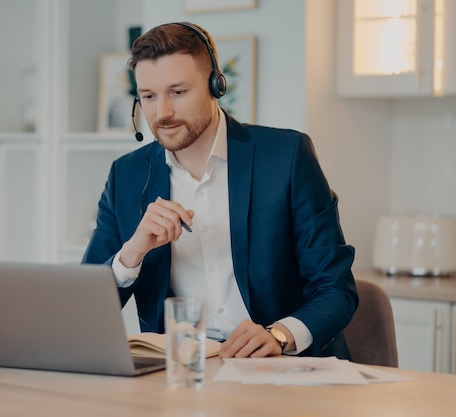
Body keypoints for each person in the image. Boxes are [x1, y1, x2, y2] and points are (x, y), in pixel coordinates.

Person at [82, 22, 358, 359]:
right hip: (181, 375)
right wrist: (132, 253)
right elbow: (86, 305)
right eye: (149, 97)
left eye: (178, 92)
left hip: (282, 368)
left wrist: (280, 335)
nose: (162, 112)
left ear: (216, 84)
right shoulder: (125, 175)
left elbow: (336, 288)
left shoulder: (286, 157)